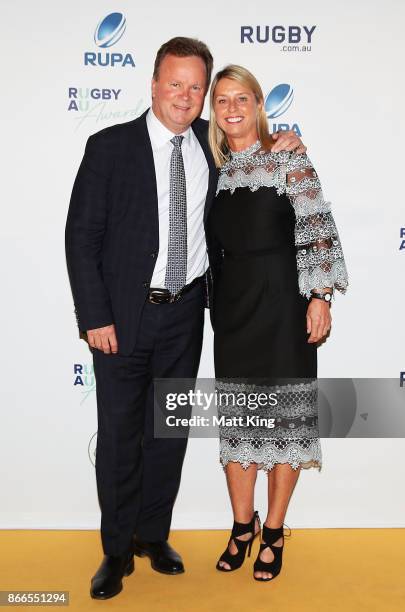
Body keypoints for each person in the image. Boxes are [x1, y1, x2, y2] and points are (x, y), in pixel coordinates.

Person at [65, 38, 305, 599]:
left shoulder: (212, 143)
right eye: (176, 83)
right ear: (153, 85)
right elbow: (81, 238)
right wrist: (94, 315)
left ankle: (153, 536)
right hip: (121, 320)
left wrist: (283, 140)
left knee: (167, 436)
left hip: (187, 318)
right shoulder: (109, 147)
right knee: (122, 437)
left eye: (196, 87)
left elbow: (261, 169)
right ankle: (116, 550)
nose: (186, 96)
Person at [206, 65, 348, 581]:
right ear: (214, 112)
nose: (233, 108)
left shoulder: (287, 155)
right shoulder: (212, 165)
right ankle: (242, 525)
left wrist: (320, 295)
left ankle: (274, 532)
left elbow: (317, 226)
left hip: (285, 305)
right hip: (234, 310)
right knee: (240, 422)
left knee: (285, 423)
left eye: (242, 98)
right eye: (222, 100)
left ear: (259, 104)